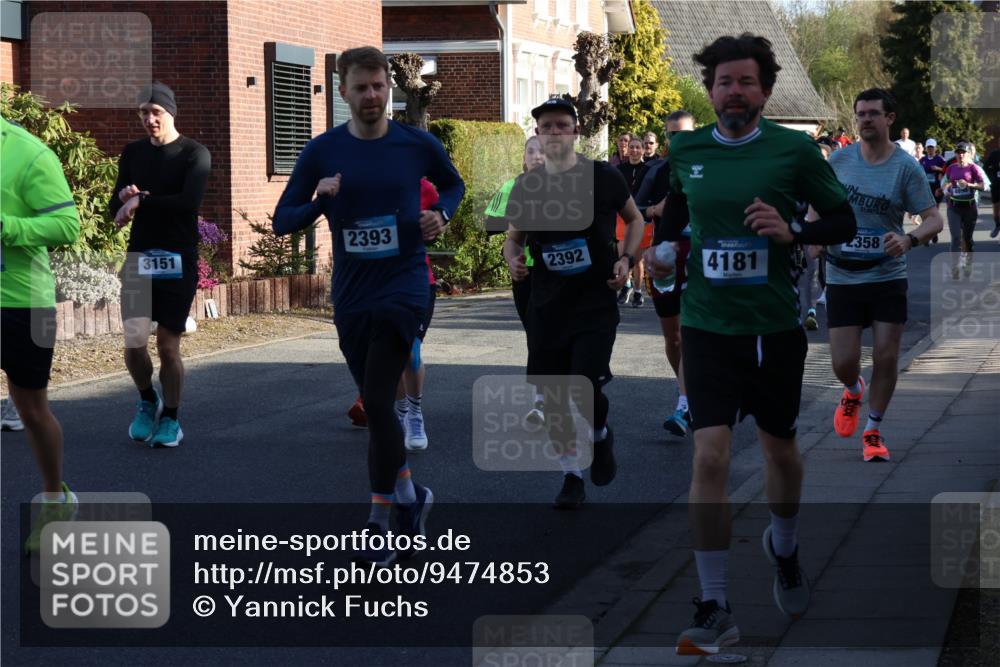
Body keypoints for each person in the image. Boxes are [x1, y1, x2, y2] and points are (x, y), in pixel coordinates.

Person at [642, 34, 858, 656]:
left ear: (764, 90)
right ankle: (714, 606)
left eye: (745, 82)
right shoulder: (686, 149)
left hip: (773, 328)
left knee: (781, 453)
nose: (733, 92)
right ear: (709, 91)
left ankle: (783, 549)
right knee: (709, 456)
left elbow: (841, 220)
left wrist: (794, 230)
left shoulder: (793, 150)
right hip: (708, 326)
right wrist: (663, 251)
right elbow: (677, 218)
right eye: (722, 82)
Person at [272, 46, 464, 566]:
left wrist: (441, 215)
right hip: (353, 294)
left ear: (389, 88)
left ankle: (378, 523)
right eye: (361, 88)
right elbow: (281, 219)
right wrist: (320, 201)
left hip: (405, 286)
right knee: (374, 400)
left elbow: (453, 183)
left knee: (380, 402)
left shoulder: (415, 143)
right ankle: (410, 497)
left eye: (379, 86)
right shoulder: (322, 150)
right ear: (343, 92)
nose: (372, 96)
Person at [502, 96, 644, 510]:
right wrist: (513, 260)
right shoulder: (528, 186)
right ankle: (570, 475)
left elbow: (635, 220)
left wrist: (626, 258)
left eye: (563, 125)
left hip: (595, 301)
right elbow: (514, 238)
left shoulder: (603, 177)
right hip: (547, 305)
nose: (555, 133)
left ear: (576, 132)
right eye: (547, 127)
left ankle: (600, 437)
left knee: (584, 385)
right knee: (554, 394)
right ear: (538, 135)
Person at [823, 88, 942, 464]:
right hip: (842, 274)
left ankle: (873, 429)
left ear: (890, 119)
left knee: (888, 356)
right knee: (843, 363)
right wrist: (813, 237)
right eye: (860, 114)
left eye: (873, 114)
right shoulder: (839, 161)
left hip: (887, 274)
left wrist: (908, 239)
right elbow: (817, 208)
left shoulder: (905, 168)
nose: (865, 120)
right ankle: (853, 390)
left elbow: (934, 219)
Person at [110, 83, 212, 448]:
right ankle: (146, 399)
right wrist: (124, 199)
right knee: (134, 342)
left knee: (168, 346)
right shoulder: (133, 152)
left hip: (177, 258)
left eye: (156, 112)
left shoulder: (194, 154)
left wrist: (141, 202)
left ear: (171, 112)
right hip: (140, 257)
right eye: (143, 112)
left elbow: (188, 202)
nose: (150, 119)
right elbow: (115, 206)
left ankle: (171, 417)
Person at [1, 116, 81, 554]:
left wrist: (8, 227)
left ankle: (55, 498)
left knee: (32, 411)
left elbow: (68, 226)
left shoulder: (29, 153)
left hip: (24, 302)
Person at [635, 109, 696, 436]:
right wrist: (656, 209)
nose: (678, 140)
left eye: (684, 134)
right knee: (672, 337)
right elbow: (634, 207)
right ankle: (683, 386)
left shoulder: (708, 169)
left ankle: (685, 405)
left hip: (697, 256)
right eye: (673, 135)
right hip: (663, 257)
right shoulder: (657, 171)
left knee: (688, 332)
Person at [485, 137, 547, 423]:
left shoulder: (566, 186)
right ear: (524, 157)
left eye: (542, 151)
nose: (537, 156)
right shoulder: (513, 186)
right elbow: (492, 223)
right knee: (536, 336)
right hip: (525, 271)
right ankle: (542, 398)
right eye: (531, 151)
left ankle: (544, 398)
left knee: (550, 335)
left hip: (557, 273)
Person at [941, 141, 986, 279]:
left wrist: (969, 184)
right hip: (953, 207)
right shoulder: (951, 168)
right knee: (955, 238)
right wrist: (945, 191)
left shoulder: (974, 168)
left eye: (963, 153)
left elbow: (983, 186)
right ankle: (955, 267)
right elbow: (946, 182)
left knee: (967, 239)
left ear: (967, 154)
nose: (960, 155)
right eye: (958, 153)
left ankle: (968, 262)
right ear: (955, 154)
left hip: (970, 208)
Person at [617, 137, 651, 307]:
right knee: (622, 254)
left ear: (643, 150)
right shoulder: (619, 169)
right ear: (627, 149)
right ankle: (627, 286)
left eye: (638, 147)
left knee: (637, 259)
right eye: (632, 147)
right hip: (622, 216)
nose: (635, 150)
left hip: (641, 217)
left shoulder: (648, 169)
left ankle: (638, 291)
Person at [985, 146, 1000, 238]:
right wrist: (992, 178)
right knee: (996, 212)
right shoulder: (994, 154)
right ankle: (997, 225)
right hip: (996, 186)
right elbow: (985, 168)